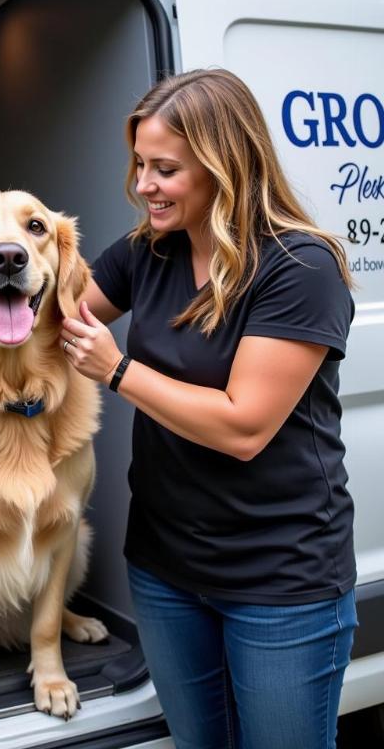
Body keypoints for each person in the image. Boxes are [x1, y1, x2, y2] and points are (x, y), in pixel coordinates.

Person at [59, 68, 356, 749]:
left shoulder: (299, 267)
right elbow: (51, 325)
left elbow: (243, 426)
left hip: (279, 580)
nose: (142, 185)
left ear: (226, 165)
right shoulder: (147, 252)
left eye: (165, 168)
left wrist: (119, 369)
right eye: (138, 164)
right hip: (165, 568)